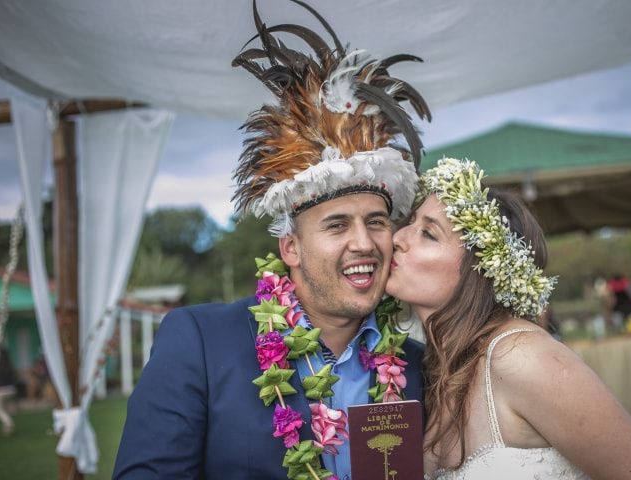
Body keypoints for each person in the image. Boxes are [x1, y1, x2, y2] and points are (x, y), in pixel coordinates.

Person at [113, 2, 430, 479]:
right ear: (291, 249)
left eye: (377, 221)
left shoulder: (418, 366)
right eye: (337, 225)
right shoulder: (200, 343)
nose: (364, 243)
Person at [386, 158, 631, 479]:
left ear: (479, 270)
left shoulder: (521, 357)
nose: (398, 238)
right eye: (410, 222)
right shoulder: (431, 371)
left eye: (428, 233)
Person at [0, 347, 17, 436]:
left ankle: (9, 424)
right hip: (11, 390)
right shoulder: (8, 364)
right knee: (4, 409)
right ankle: (7, 429)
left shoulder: (0, 366)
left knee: (0, 410)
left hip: (2, 391)